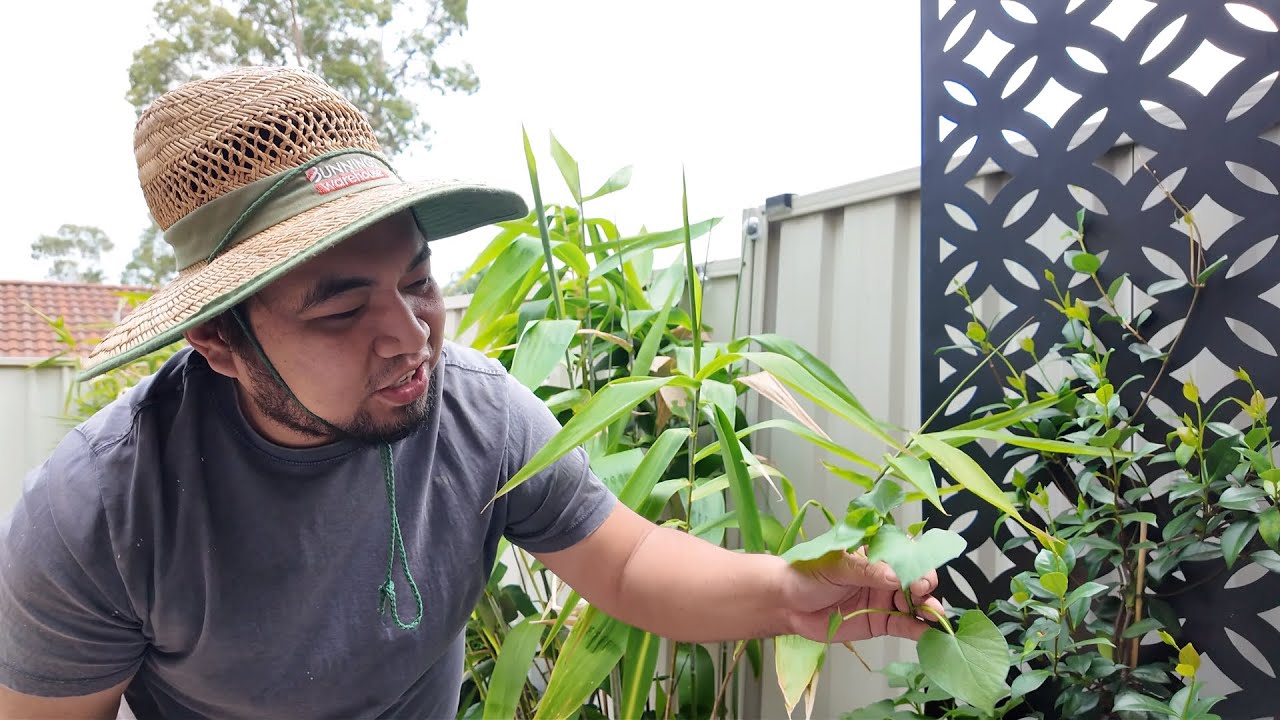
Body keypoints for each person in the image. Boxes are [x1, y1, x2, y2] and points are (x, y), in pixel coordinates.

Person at [0, 66, 942, 719]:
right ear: (218, 340)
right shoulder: (101, 512)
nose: (411, 337)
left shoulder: (477, 410)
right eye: (340, 311)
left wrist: (786, 593)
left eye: (417, 281)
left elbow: (625, 565)